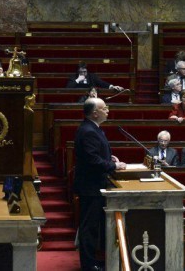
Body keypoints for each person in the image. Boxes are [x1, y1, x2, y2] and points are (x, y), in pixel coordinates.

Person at [73, 98, 127, 271]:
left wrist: (109, 158)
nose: (108, 111)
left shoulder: (94, 128)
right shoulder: (88, 130)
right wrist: (113, 165)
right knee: (89, 229)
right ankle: (88, 265)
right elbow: (92, 160)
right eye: (105, 108)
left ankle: (94, 261)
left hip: (95, 186)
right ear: (95, 113)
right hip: (91, 188)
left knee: (95, 227)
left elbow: (97, 154)